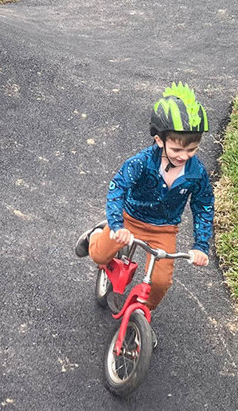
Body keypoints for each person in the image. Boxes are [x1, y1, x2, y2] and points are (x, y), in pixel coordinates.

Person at [75, 82, 214, 316]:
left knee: (160, 282)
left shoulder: (196, 172)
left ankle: (140, 318)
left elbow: (204, 205)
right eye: (177, 149)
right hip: (130, 219)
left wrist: (200, 245)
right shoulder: (141, 163)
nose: (184, 156)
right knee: (99, 255)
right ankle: (94, 236)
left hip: (163, 230)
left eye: (192, 149)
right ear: (160, 141)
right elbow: (117, 187)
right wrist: (117, 224)